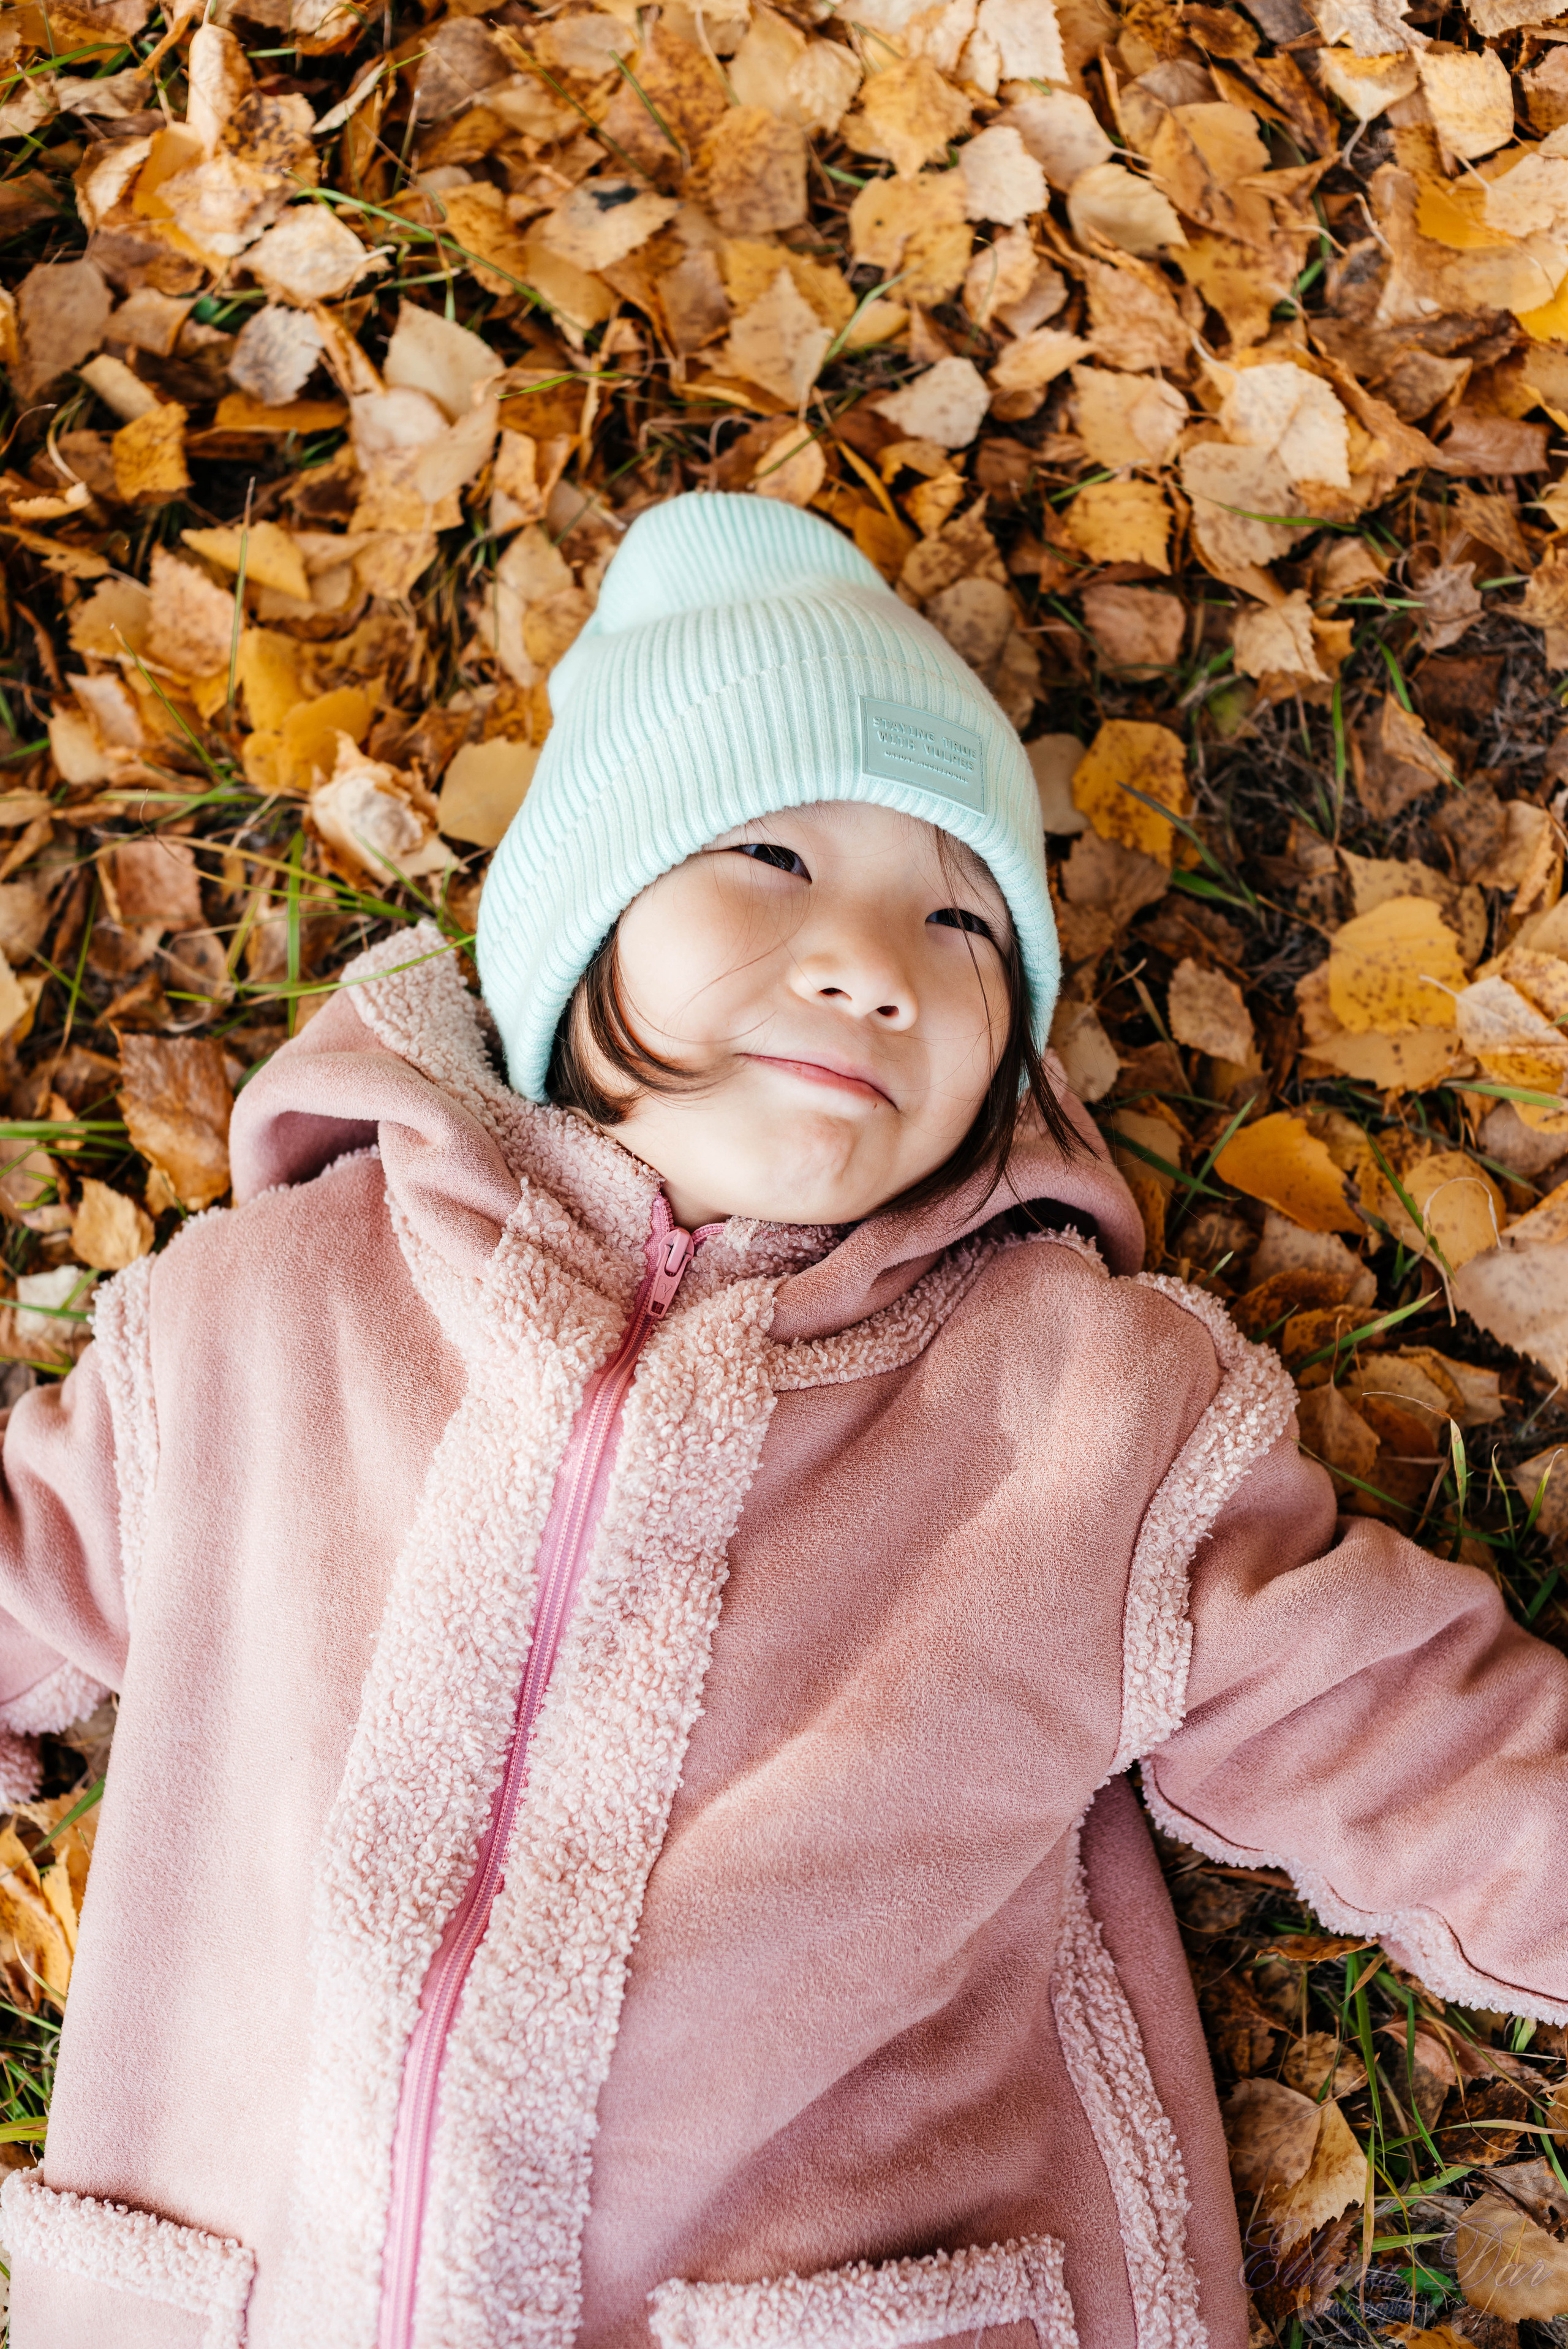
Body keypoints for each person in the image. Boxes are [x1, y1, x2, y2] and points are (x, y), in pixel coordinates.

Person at [0, 492, 1562, 2349]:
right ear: (574, 933)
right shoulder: (260, 1321)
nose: (872, 958)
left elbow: (1400, 1738)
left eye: (961, 918)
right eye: (765, 855)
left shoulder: (1071, 1414)